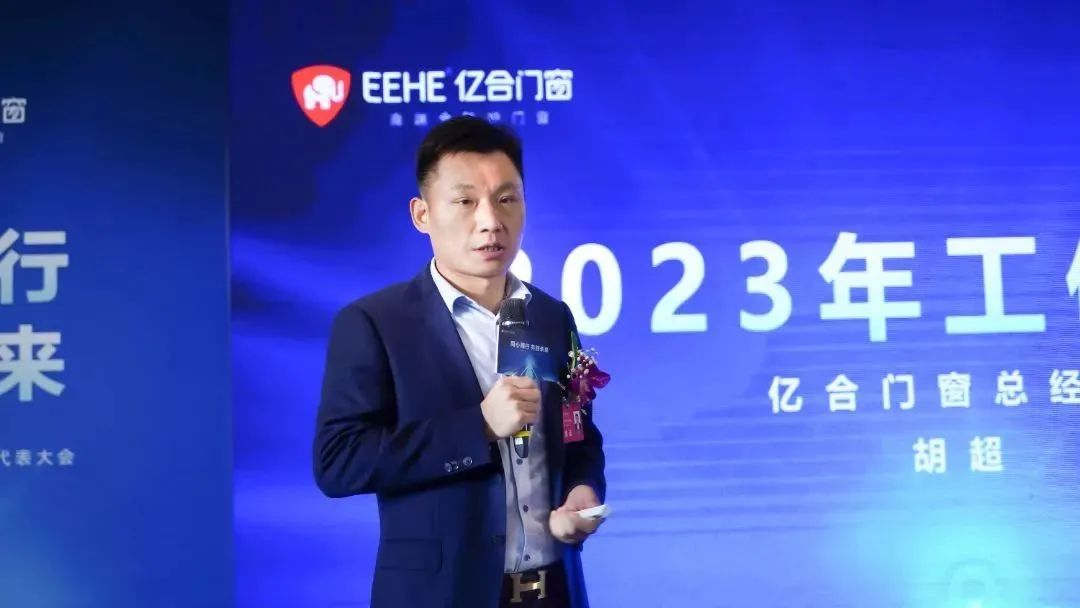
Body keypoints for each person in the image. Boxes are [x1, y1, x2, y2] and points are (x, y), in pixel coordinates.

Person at [313, 116, 608, 608]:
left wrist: (581, 492)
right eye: (465, 201)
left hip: (554, 591)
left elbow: (580, 438)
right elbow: (338, 462)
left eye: (507, 199)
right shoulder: (374, 323)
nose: (490, 221)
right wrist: (479, 426)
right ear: (422, 214)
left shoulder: (551, 318)